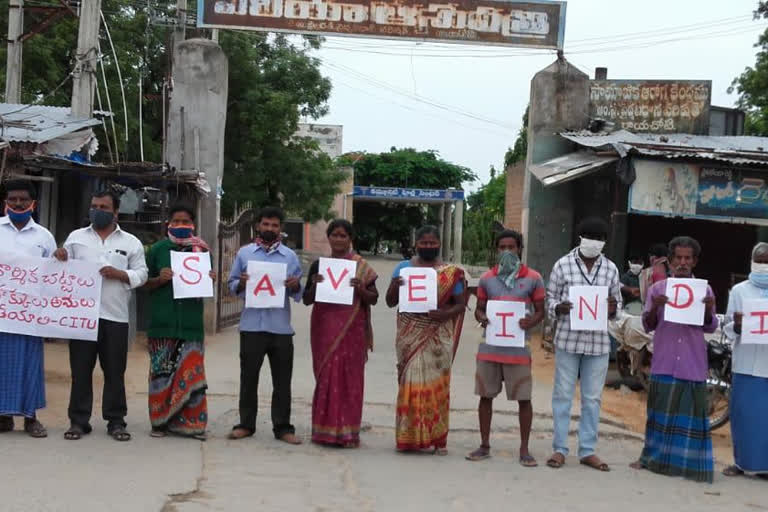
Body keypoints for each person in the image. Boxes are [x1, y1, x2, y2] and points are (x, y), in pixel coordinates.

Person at [55, 190, 148, 441]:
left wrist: (121, 275)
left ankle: (116, 421)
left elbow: (142, 274)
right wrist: (60, 256)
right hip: (82, 318)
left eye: (104, 207)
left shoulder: (131, 242)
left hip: (115, 317)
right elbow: (61, 269)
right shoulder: (75, 238)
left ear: (116, 212)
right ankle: (78, 421)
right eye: (94, 206)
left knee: (114, 372)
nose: (98, 210)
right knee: (81, 372)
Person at [631, 236, 717, 483]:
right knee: (658, 414)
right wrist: (656, 307)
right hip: (665, 360)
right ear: (669, 261)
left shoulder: (705, 290)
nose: (682, 262)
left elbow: (710, 328)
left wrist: (709, 309)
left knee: (689, 418)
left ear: (695, 261)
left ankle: (688, 463)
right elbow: (648, 325)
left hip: (692, 362)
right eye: (678, 258)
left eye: (687, 258)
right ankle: (651, 458)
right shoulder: (658, 290)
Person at [545, 217, 621, 471]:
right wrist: (558, 307)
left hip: (598, 343)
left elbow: (617, 306)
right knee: (563, 394)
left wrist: (613, 308)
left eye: (599, 238)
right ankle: (559, 448)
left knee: (592, 398)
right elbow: (550, 297)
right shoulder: (562, 265)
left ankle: (587, 450)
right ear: (580, 238)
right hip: (568, 339)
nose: (594, 242)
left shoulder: (611, 269)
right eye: (589, 236)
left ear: (604, 242)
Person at [466, 230, 545, 465]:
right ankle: (484, 445)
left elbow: (541, 310)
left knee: (523, 398)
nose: (507, 252)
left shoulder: (533, 278)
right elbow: (480, 307)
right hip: (490, 346)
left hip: (518, 348)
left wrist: (531, 321)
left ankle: (524, 449)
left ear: (520, 249)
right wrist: (482, 317)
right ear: (496, 250)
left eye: (512, 247)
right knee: (485, 396)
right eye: (502, 247)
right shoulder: (487, 278)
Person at [385, 226, 466, 454]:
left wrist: (445, 314)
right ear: (416, 244)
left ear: (439, 244)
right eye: (424, 243)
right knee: (409, 383)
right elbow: (390, 302)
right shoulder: (403, 268)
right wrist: (395, 285)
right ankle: (408, 437)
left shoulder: (450, 272)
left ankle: (437, 438)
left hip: (438, 337)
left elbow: (460, 304)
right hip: (409, 335)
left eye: (432, 243)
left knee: (437, 386)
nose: (428, 246)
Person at [227, 206, 303, 444]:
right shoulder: (245, 254)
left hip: (280, 328)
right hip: (251, 326)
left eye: (275, 225)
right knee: (248, 378)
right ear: (258, 226)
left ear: (281, 228)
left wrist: (293, 285)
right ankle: (246, 424)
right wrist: (241, 283)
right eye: (266, 224)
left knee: (282, 381)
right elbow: (231, 286)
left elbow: (298, 292)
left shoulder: (290, 257)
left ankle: (283, 427)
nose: (270, 229)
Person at [142, 203, 216, 440]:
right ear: (168, 224)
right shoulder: (157, 250)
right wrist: (158, 279)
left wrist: (211, 278)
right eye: (176, 221)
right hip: (163, 323)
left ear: (193, 225)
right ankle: (160, 422)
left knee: (191, 373)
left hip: (191, 324)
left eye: (186, 222)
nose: (181, 226)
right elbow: (144, 283)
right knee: (161, 373)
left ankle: (193, 424)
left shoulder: (202, 251)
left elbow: (205, 285)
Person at [303, 219, 378, 447]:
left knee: (349, 379)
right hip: (324, 328)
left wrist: (361, 289)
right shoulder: (319, 265)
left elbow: (374, 299)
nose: (338, 239)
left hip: (352, 331)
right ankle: (324, 431)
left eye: (343, 236)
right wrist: (315, 285)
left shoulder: (361, 266)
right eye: (334, 235)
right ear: (328, 237)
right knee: (327, 375)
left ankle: (347, 432)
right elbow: (306, 299)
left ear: (350, 239)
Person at [0, 180, 57, 438]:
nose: (18, 204)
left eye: (23, 199)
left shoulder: (44, 237)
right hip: (2, 313)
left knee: (30, 365)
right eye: (13, 199)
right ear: (6, 203)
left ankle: (31, 418)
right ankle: (3, 417)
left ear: (33, 204)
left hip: (30, 315)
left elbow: (56, 275)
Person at [722, 242, 768, 479]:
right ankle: (741, 463)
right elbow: (727, 324)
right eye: (759, 261)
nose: (763, 266)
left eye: (767, 262)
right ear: (751, 262)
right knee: (743, 415)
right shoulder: (739, 291)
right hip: (746, 363)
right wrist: (737, 326)